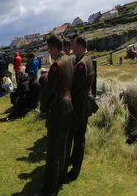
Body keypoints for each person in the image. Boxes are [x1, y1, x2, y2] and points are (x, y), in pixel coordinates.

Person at [38, 35, 73, 196]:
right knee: (64, 147)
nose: (49, 53)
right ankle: (60, 179)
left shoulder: (57, 65)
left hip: (58, 107)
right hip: (68, 103)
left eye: (49, 50)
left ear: (53, 48)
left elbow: (48, 91)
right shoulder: (68, 59)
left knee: (53, 152)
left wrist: (44, 107)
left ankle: (49, 190)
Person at [65, 35, 96, 182]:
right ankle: (75, 168)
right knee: (80, 138)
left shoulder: (82, 63)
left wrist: (70, 97)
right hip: (86, 103)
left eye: (74, 47)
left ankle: (68, 169)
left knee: (72, 136)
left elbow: (76, 87)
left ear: (80, 47)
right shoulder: (89, 59)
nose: (73, 49)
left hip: (80, 105)